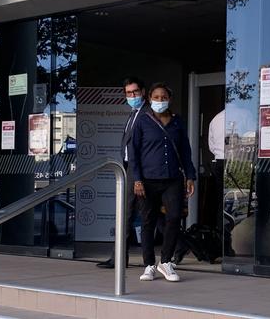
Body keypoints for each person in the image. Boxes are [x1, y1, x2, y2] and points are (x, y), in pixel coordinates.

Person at [130, 82, 196, 282]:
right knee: (148, 222)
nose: (160, 100)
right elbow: (133, 152)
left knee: (174, 218)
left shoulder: (177, 122)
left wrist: (190, 176)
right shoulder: (142, 121)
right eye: (156, 97)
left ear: (170, 99)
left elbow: (185, 150)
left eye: (164, 97)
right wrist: (137, 179)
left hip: (172, 180)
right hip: (147, 180)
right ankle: (149, 265)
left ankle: (165, 262)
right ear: (150, 99)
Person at [96, 77, 150, 269]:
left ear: (143, 92)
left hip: (140, 171)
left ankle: (150, 260)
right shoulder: (133, 113)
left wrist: (139, 175)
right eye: (128, 93)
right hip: (129, 168)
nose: (132, 96)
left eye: (135, 92)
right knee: (130, 215)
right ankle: (120, 258)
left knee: (141, 216)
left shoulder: (148, 113)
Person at [208, 109, 234, 257]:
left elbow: (211, 146)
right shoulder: (247, 115)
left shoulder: (216, 118)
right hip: (237, 161)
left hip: (219, 161)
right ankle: (226, 245)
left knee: (221, 204)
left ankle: (222, 244)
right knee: (232, 204)